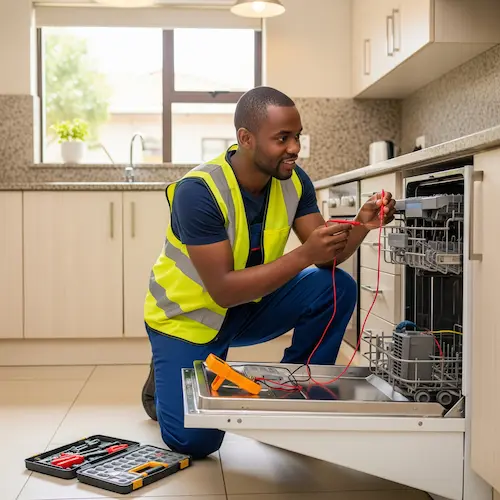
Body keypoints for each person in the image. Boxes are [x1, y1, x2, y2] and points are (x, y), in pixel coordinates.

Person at [142, 86, 396, 460]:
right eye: (282, 138)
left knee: (335, 286)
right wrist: (302, 256)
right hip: (189, 319)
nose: (294, 147)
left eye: (297, 137)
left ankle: (295, 396)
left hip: (249, 308)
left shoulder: (294, 181)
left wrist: (361, 224)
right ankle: (160, 384)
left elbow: (325, 258)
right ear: (245, 139)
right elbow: (223, 291)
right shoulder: (198, 191)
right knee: (196, 444)